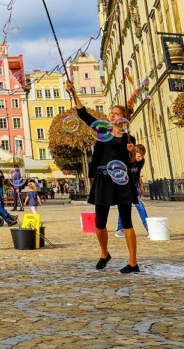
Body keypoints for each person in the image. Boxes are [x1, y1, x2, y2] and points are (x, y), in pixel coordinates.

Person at [67, 80, 139, 273]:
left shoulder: (128, 138)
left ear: (124, 118)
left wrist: (131, 152)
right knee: (100, 222)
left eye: (116, 113)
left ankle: (133, 262)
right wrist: (73, 91)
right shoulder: (103, 131)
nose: (112, 115)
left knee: (127, 221)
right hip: (103, 180)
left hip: (121, 181)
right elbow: (83, 115)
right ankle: (104, 253)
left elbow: (133, 162)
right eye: (111, 113)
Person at [116, 144, 149, 238]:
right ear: (134, 153)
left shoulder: (141, 161)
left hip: (135, 186)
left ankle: (149, 228)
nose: (140, 158)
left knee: (140, 207)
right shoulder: (128, 161)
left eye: (142, 157)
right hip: (126, 186)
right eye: (138, 156)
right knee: (125, 208)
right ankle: (120, 229)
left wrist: (141, 187)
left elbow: (138, 174)